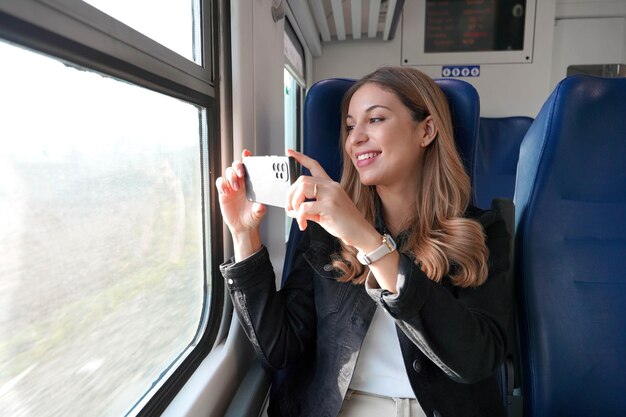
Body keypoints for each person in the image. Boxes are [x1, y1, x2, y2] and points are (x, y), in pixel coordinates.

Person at [217, 66, 511, 417]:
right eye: (350, 126)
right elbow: (281, 348)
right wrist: (243, 232)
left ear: (426, 131)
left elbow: (476, 360)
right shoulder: (324, 230)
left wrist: (367, 239)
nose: (355, 139)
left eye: (375, 120)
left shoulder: (483, 230)